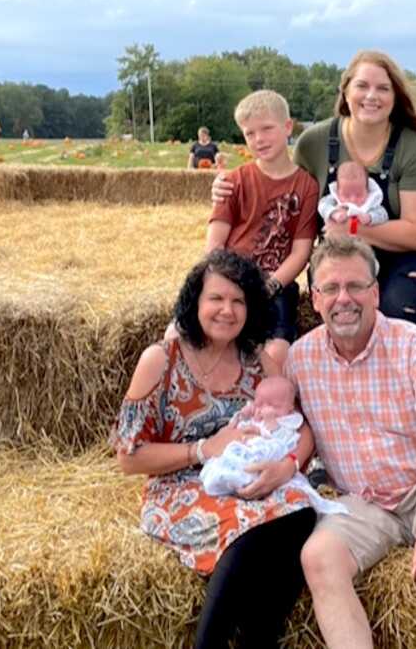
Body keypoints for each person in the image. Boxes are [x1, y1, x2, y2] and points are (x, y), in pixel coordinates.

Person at [287, 236, 416, 649]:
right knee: (318, 556)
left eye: (355, 287)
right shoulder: (300, 359)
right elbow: (285, 428)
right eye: (330, 288)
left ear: (376, 293)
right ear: (314, 299)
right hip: (364, 498)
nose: (343, 299)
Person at [112, 250, 316, 648]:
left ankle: (258, 640)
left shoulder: (256, 360)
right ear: (196, 303)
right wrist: (202, 449)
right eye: (216, 299)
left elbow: (301, 426)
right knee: (251, 531)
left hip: (248, 478)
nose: (227, 310)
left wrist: (288, 466)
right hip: (181, 488)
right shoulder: (161, 360)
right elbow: (128, 457)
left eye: (238, 301)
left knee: (303, 514)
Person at [213, 50, 416, 330]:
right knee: (341, 307)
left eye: (383, 88)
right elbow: (283, 184)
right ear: (345, 91)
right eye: (362, 86)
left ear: (395, 96)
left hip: (407, 257)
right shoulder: (315, 142)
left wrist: (352, 229)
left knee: (397, 310)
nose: (371, 96)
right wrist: (228, 185)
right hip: (338, 254)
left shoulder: (414, 148)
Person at [203, 90, 318, 367]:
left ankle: (266, 406)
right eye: (249, 134)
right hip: (231, 276)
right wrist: (230, 283)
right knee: (180, 335)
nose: (259, 139)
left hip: (276, 284)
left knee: (276, 351)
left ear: (287, 127)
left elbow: (301, 252)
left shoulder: (305, 186)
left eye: (267, 129)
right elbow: (215, 244)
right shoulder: (234, 181)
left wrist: (270, 286)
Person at [199, 375, 348, 515]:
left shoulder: (287, 420)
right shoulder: (254, 415)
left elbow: (286, 437)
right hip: (228, 455)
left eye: (274, 405)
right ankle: (228, 479)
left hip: (270, 463)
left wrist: (288, 465)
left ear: (290, 407)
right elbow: (233, 427)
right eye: (259, 403)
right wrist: (242, 416)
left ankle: (240, 479)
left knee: (298, 505)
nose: (265, 408)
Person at [317, 160, 389, 229]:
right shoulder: (334, 200)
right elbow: (322, 205)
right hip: (335, 239)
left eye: (358, 195)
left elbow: (383, 215)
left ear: (367, 191)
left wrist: (369, 217)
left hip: (365, 239)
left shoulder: (371, 203)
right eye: (346, 195)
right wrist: (334, 213)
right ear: (338, 192)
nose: (353, 200)